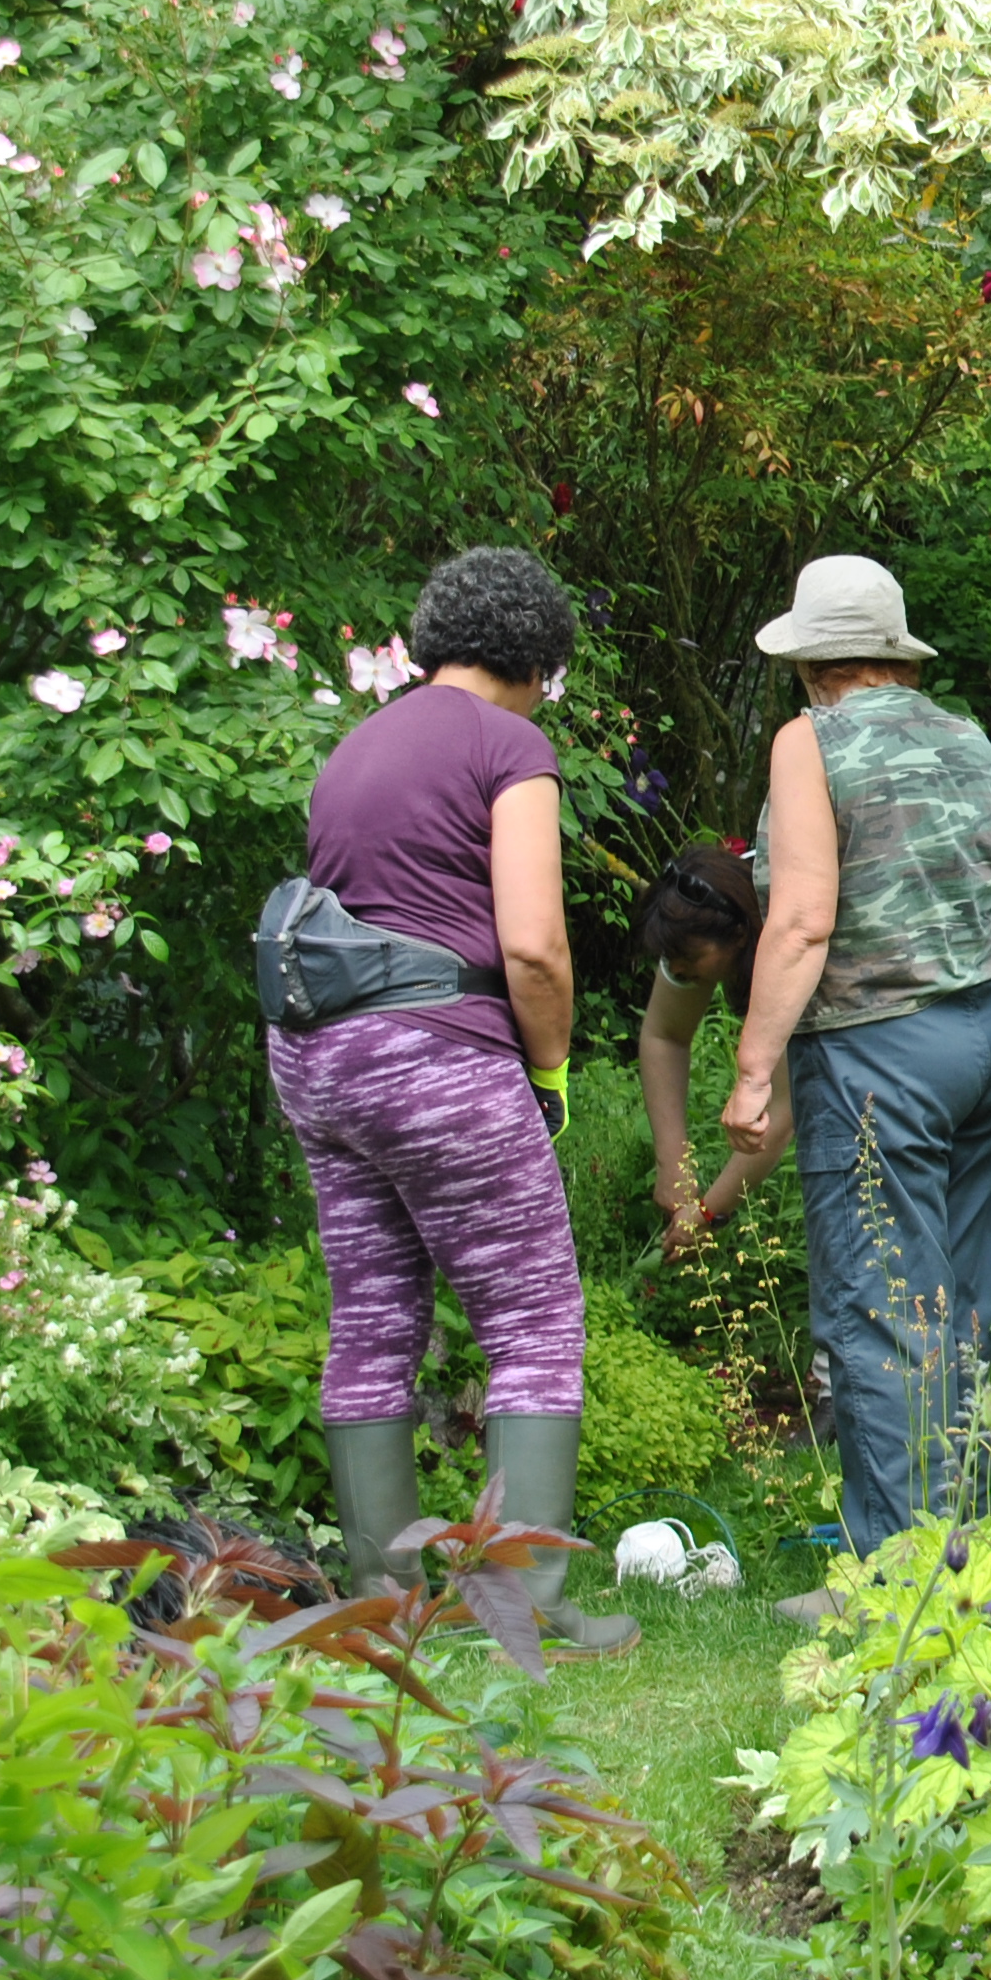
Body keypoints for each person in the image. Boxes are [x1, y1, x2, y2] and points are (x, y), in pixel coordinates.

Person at [270, 545, 632, 1650]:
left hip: (319, 1063)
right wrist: (552, 1071)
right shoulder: (506, 741)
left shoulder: (355, 746)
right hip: (438, 1050)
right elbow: (531, 947)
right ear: (537, 660)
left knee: (373, 1323)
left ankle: (390, 1610)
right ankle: (527, 1608)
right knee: (529, 1325)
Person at [721, 555, 991, 1593]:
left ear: (810, 666)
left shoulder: (807, 744)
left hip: (877, 1049)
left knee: (881, 1301)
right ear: (893, 657)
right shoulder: (970, 739)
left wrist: (753, 1067)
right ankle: (980, 1544)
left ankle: (896, 1580)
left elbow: (803, 918)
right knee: (972, 1294)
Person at [632, 843, 781, 1251]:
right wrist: (674, 1166)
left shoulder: (783, 920)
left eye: (688, 959)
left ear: (738, 935)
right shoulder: (698, 915)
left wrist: (706, 1213)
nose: (677, 970)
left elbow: (786, 1106)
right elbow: (665, 1035)